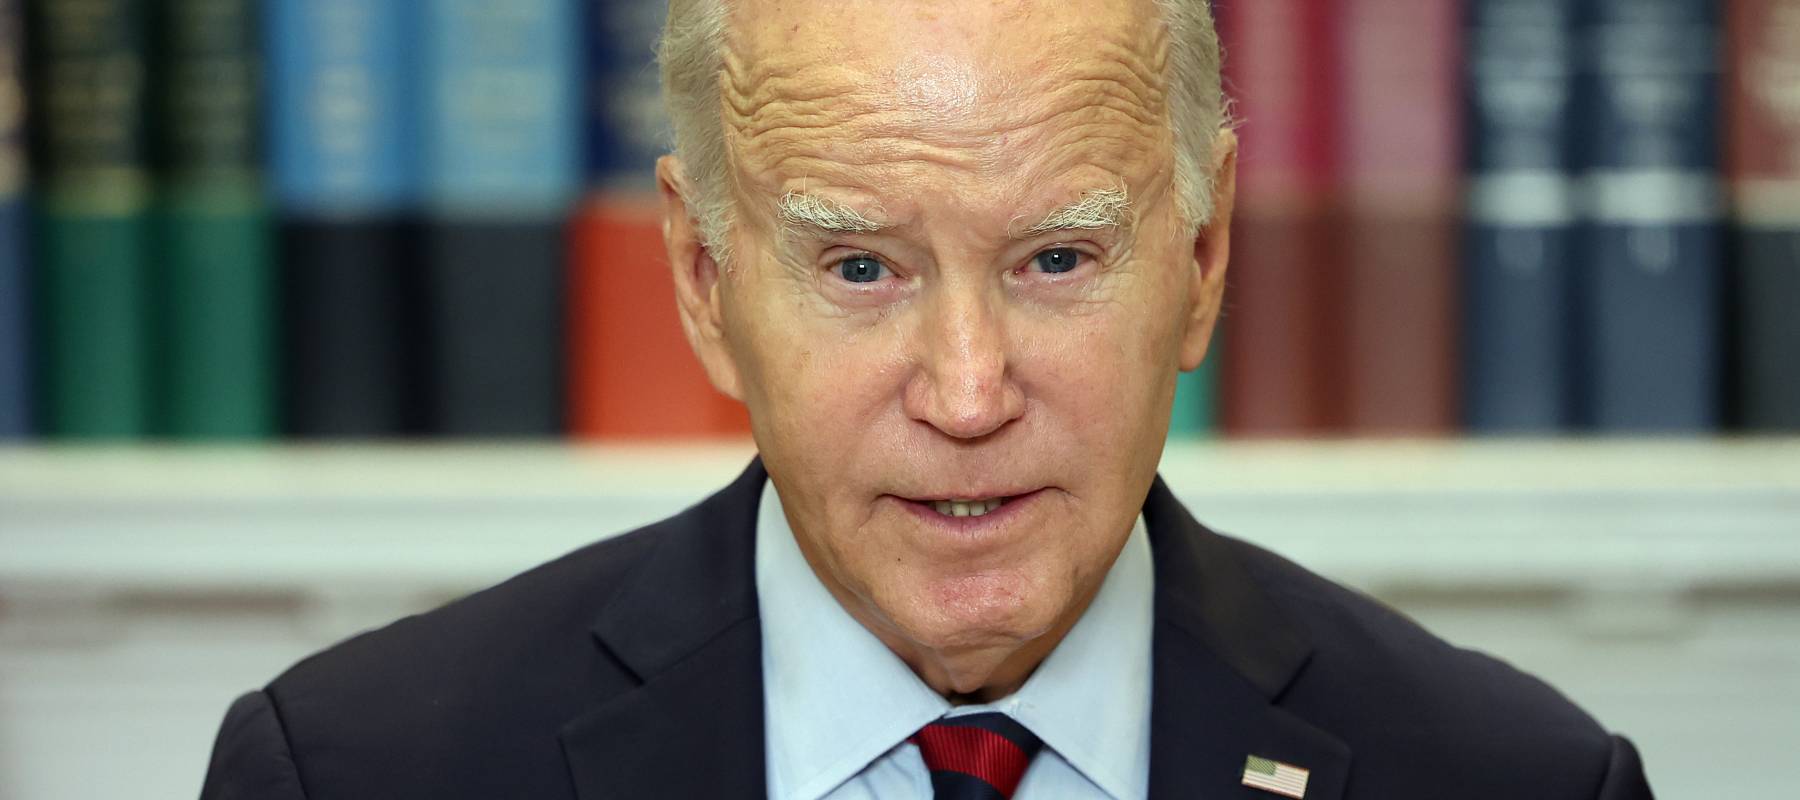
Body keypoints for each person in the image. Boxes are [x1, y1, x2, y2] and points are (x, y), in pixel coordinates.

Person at [201, 0, 1655, 797]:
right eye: (859, 267)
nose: (968, 394)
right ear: (705, 282)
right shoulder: (355, 778)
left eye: (1059, 256)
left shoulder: (1515, 786)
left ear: (1202, 261)